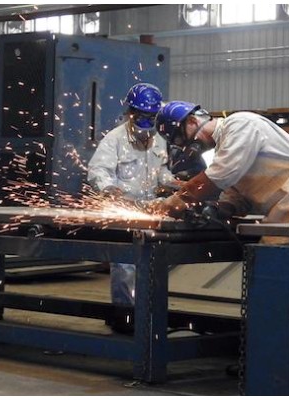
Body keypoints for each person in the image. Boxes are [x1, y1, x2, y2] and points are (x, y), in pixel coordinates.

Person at [151, 100, 289, 375]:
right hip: (283, 209)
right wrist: (217, 208)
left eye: (181, 139)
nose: (187, 147)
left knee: (284, 286)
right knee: (278, 286)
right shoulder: (227, 145)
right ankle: (282, 359)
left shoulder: (241, 124)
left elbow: (221, 175)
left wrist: (178, 199)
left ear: (190, 123)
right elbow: (235, 192)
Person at [87, 83, 179, 333]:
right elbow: (97, 171)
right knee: (126, 266)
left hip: (149, 210)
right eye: (141, 116)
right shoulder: (114, 139)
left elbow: (161, 172)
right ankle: (124, 316)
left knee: (152, 264)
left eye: (151, 117)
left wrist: (175, 183)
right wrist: (109, 188)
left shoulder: (158, 141)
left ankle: (148, 313)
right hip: (122, 210)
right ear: (130, 113)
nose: (145, 123)